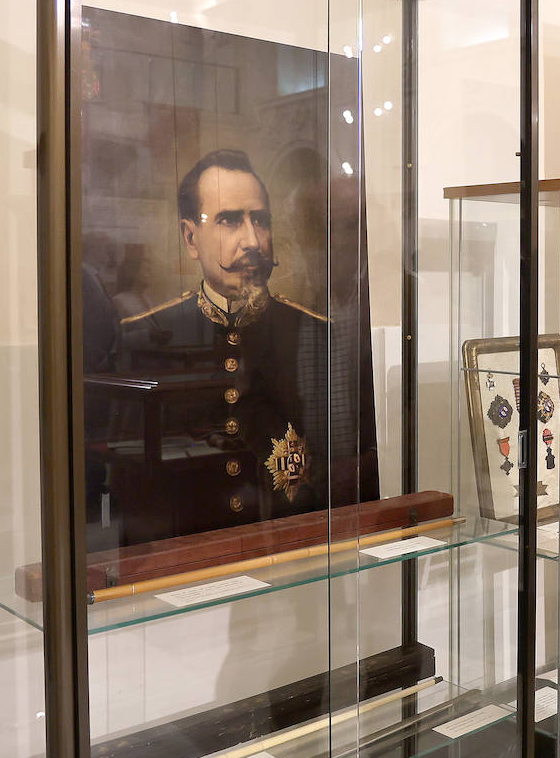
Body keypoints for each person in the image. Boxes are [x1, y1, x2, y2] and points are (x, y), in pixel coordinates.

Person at [104, 148, 378, 545]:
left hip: (290, 544)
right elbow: (130, 474)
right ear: (190, 237)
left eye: (260, 221)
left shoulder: (312, 331)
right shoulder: (147, 333)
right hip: (183, 546)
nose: (252, 240)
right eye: (230, 221)